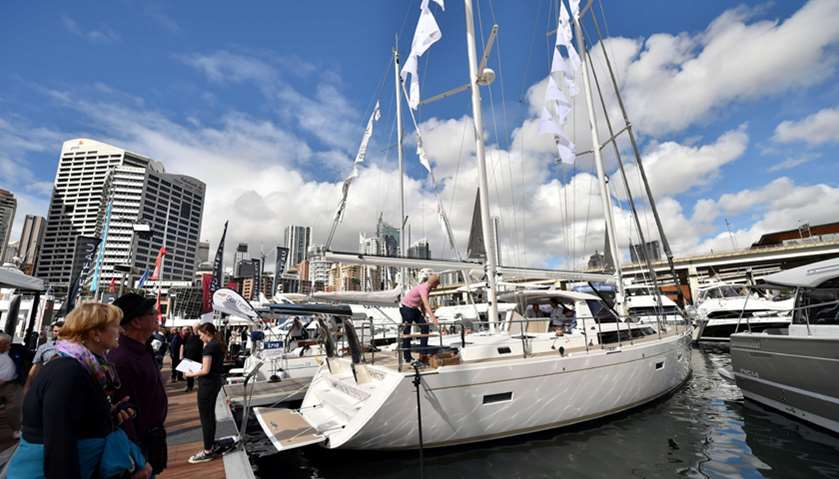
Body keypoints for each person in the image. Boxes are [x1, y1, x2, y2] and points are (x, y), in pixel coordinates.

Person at [7, 303, 151, 479]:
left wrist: (111, 413)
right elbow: (58, 440)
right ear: (95, 333)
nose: (120, 330)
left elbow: (77, 417)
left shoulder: (88, 365)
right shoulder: (67, 370)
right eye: (114, 326)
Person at [109, 293, 168, 475]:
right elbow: (124, 412)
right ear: (136, 322)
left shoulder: (144, 348)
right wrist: (136, 458)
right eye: (151, 312)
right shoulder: (122, 359)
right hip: (139, 445)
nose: (157, 313)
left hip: (153, 437)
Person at [183, 322, 227, 464]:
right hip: (215, 383)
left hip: (207, 385)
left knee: (205, 417)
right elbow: (211, 367)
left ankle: (207, 450)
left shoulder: (209, 347)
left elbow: (205, 370)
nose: (200, 337)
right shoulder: (217, 345)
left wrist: (190, 374)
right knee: (210, 415)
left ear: (207, 333)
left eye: (201, 334)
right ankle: (211, 444)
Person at [399, 274, 440, 364]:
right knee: (407, 332)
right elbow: (426, 304)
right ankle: (407, 357)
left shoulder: (428, 288)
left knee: (425, 327)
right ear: (434, 283)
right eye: (438, 283)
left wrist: (424, 315)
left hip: (414, 309)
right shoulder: (424, 288)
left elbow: (421, 303)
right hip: (406, 308)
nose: (438, 285)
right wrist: (434, 319)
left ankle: (423, 354)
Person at [0, 333, 30, 440]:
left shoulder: (17, 349)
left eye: (8, 343)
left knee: (16, 407)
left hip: (12, 384)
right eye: (4, 344)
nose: (8, 346)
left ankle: (17, 429)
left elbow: (33, 357)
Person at [24, 321, 63, 394]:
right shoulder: (44, 347)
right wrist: (27, 385)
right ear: (53, 332)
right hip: (45, 381)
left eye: (61, 331)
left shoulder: (76, 348)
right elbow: (35, 367)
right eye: (56, 331)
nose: (59, 333)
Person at [181, 325, 203, 392]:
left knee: (200, 373)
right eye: (194, 328)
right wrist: (181, 355)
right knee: (189, 373)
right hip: (188, 356)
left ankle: (200, 386)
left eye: (196, 328)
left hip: (198, 357)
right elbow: (182, 345)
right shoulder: (187, 336)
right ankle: (189, 386)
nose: (195, 329)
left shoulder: (201, 336)